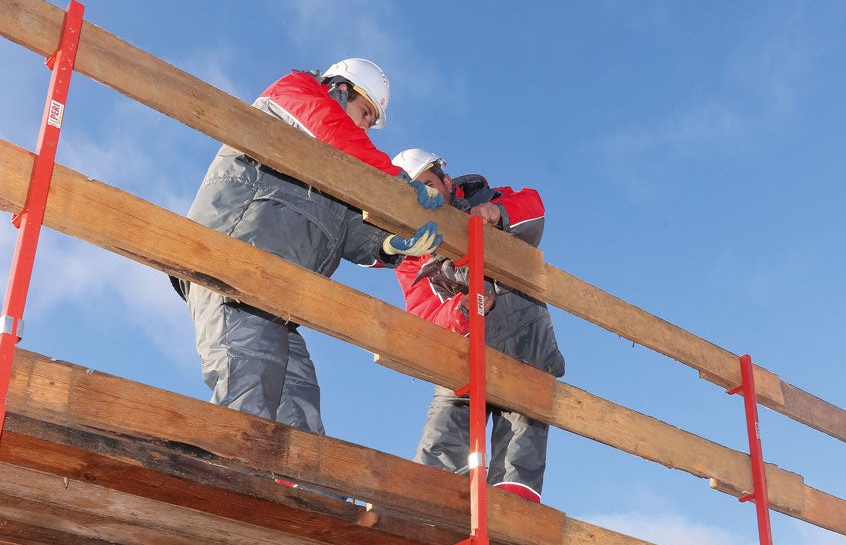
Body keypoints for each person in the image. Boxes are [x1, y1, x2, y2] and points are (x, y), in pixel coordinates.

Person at [172, 58, 442, 434]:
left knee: (299, 415)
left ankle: (293, 490)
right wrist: (392, 184)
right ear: (339, 88)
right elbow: (330, 130)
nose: (365, 126)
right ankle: (224, 486)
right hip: (235, 262)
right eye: (365, 112)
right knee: (247, 392)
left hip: (279, 292)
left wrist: (389, 245)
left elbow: (347, 228)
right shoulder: (293, 94)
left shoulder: (340, 162)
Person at [390, 148, 564, 503]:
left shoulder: (490, 199)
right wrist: (460, 309)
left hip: (523, 337)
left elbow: (534, 211)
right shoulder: (414, 252)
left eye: (429, 184)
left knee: (523, 430)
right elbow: (422, 309)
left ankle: (513, 513)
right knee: (445, 429)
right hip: (465, 346)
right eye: (414, 191)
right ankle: (428, 505)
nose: (426, 195)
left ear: (447, 181)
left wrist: (498, 214)